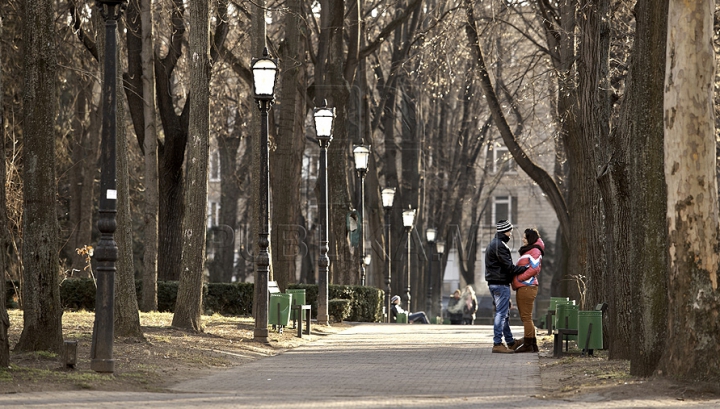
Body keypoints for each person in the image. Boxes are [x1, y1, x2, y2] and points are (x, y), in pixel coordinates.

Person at [485, 220, 528, 353]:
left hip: (495, 283)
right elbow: (509, 267)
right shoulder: (500, 246)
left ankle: (510, 342)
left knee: (504, 313)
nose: (511, 234)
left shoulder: (493, 244)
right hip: (500, 284)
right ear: (505, 231)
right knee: (501, 314)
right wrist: (524, 268)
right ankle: (497, 343)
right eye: (510, 231)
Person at [512, 228, 544, 353]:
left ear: (530, 239)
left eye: (525, 237)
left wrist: (520, 278)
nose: (522, 239)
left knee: (526, 317)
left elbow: (534, 269)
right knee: (526, 317)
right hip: (525, 287)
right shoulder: (530, 251)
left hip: (527, 286)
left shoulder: (535, 251)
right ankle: (532, 344)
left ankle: (528, 344)